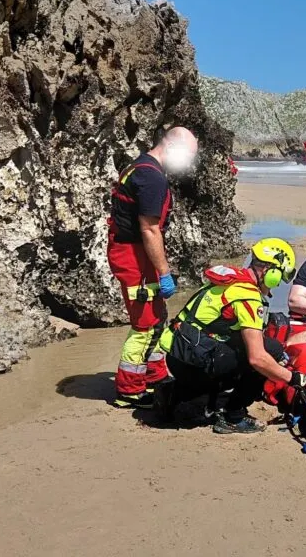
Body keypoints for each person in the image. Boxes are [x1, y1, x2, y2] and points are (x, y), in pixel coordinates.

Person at [155, 238, 306, 434]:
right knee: (271, 351)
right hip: (193, 362)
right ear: (271, 271)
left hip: (178, 356)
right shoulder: (248, 297)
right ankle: (233, 417)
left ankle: (173, 393)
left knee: (244, 353)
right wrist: (292, 378)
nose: (277, 285)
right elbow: (257, 358)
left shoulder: (232, 281)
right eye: (279, 278)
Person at [107, 127, 198, 409]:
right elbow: (149, 229)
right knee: (145, 326)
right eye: (188, 156)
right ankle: (130, 390)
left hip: (136, 253)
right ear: (171, 146)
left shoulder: (140, 168)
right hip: (134, 256)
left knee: (158, 318)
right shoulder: (151, 177)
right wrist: (164, 272)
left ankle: (155, 376)